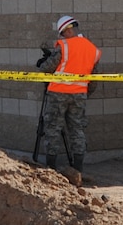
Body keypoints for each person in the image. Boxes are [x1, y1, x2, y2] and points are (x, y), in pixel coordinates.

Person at [39, 15, 99, 178]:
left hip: (58, 93)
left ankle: (51, 170)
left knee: (53, 129)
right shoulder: (93, 49)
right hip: (79, 95)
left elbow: (48, 68)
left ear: (68, 30)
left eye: (62, 33)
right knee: (77, 130)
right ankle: (78, 170)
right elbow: (93, 78)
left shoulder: (64, 46)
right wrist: (85, 93)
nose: (61, 37)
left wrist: (43, 63)